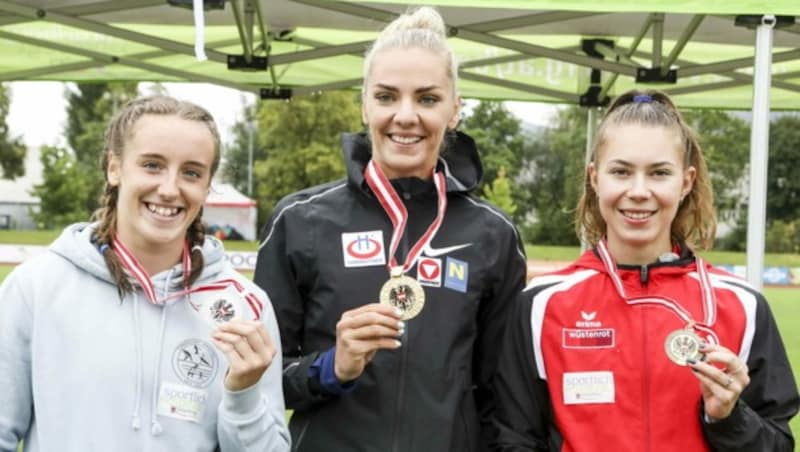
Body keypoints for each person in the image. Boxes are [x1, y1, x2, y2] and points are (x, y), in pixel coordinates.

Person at [254, 6, 527, 452]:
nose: (405, 116)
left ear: (455, 110)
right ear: (364, 103)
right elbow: (254, 383)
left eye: (427, 99)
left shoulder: (492, 235)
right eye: (386, 97)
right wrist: (331, 368)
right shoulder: (301, 220)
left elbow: (504, 398)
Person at [491, 89, 799, 451]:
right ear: (594, 177)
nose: (638, 191)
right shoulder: (542, 305)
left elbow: (778, 444)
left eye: (659, 173)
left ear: (685, 182)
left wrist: (728, 417)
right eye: (621, 171)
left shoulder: (742, 307)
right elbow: (513, 440)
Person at [0, 96, 290, 452]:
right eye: (152, 165)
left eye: (191, 172)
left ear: (207, 185)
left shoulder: (244, 306)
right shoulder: (35, 289)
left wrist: (243, 394)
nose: (170, 189)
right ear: (114, 168)